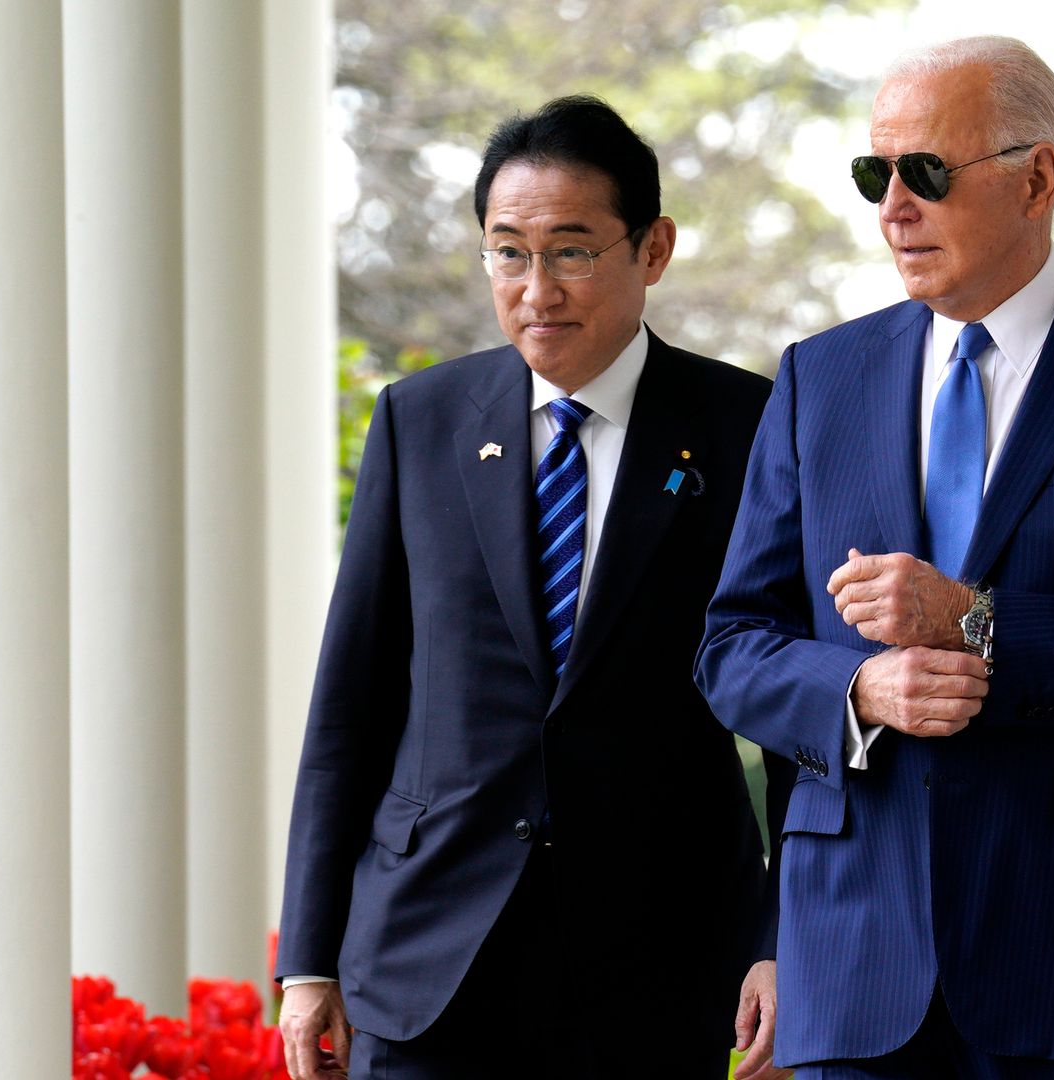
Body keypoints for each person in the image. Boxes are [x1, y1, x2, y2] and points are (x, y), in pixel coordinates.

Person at [696, 36, 1054, 1079]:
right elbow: (731, 648)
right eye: (877, 173)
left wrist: (975, 621)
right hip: (856, 968)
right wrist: (860, 686)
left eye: (927, 173)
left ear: (1037, 177)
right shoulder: (820, 378)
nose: (892, 207)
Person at [275, 95, 791, 1080]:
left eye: (572, 250)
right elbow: (352, 704)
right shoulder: (420, 421)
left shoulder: (745, 426)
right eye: (507, 252)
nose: (536, 287)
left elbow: (791, 711)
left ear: (653, 249)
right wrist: (307, 958)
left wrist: (780, 936)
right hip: (427, 960)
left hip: (654, 966)